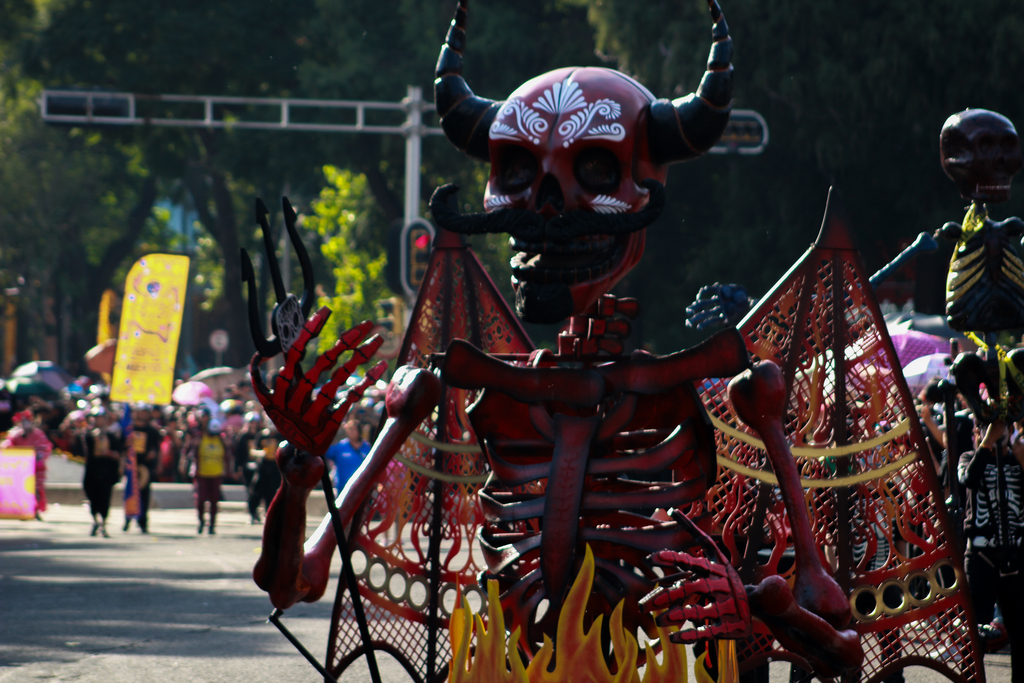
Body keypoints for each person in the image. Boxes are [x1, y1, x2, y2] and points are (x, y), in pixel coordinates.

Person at [959, 419, 1024, 681]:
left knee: (1020, 630)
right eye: (989, 430)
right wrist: (985, 445)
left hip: (1016, 556)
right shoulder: (969, 457)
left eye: (1002, 430)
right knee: (976, 630)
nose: (998, 435)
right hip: (980, 556)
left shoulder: (1018, 460)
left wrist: (1021, 458)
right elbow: (967, 479)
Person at [75, 407, 124, 537]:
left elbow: (118, 453)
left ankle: (103, 522)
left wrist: (110, 454)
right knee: (92, 496)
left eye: (101, 418)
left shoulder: (111, 435)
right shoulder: (88, 435)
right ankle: (95, 520)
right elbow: (82, 451)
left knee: (104, 497)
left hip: (107, 471)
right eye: (96, 418)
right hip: (92, 471)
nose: (98, 420)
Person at [185, 409, 231, 534]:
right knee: (200, 499)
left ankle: (212, 525)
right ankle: (201, 521)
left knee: (214, 500)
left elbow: (227, 455)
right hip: (201, 473)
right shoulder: (198, 436)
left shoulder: (221, 439)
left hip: (216, 473)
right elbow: (188, 452)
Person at [2, 409, 54, 519]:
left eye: (27, 421)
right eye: (23, 422)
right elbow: (8, 445)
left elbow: (46, 447)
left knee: (36, 489)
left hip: (36, 468)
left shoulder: (38, 434)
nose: (25, 424)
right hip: (21, 470)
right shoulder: (16, 435)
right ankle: (23, 509)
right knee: (20, 489)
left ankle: (36, 510)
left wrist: (39, 456)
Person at [125, 407, 161, 533]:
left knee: (144, 495)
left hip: (145, 466)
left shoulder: (152, 431)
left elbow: (157, 449)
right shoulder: (129, 429)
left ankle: (143, 521)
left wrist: (154, 457)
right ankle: (128, 518)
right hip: (131, 466)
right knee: (130, 492)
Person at [324, 419, 371, 493]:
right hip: (343, 490)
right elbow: (324, 453)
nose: (351, 432)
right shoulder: (340, 447)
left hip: (362, 489)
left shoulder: (367, 447)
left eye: (354, 429)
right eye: (349, 429)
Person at [247, 429, 282, 524]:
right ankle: (253, 513)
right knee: (256, 492)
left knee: (271, 493)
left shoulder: (280, 437)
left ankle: (269, 515)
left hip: (275, 469)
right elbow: (252, 451)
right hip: (262, 468)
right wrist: (261, 453)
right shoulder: (261, 435)